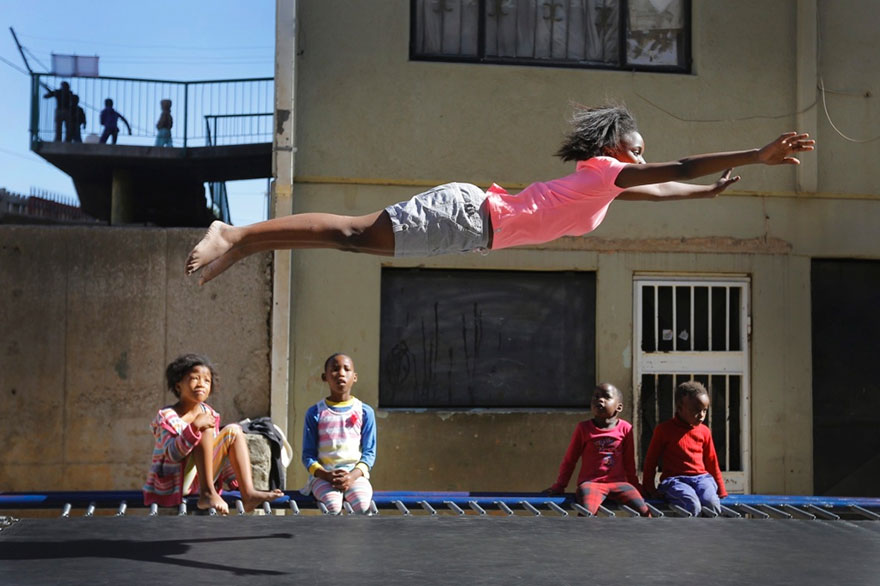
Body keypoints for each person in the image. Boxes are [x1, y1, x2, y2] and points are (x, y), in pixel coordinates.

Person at [184, 103, 815, 285]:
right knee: (351, 232)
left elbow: (666, 184)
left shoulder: (607, 189)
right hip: (470, 214)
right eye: (637, 148)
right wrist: (756, 156)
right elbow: (679, 164)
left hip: (472, 228)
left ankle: (243, 245)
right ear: (617, 149)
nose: (642, 158)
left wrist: (705, 197)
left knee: (352, 241)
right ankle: (234, 234)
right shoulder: (604, 171)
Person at [142, 353, 284, 513]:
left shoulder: (209, 413)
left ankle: (248, 493)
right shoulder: (168, 416)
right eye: (195, 378)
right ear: (178, 385)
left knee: (234, 430)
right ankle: (207, 492)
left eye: (206, 380)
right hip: (175, 483)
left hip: (200, 478)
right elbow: (172, 454)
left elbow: (215, 452)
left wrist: (233, 482)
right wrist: (194, 427)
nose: (201, 384)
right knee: (205, 426)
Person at [545, 383, 648, 516]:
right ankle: (585, 536)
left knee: (644, 512)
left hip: (618, 483)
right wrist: (560, 485)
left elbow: (629, 461)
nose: (600, 400)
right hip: (592, 484)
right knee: (587, 513)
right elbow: (570, 460)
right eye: (596, 397)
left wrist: (635, 485)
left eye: (606, 397)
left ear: (619, 407)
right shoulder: (584, 428)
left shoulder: (625, 429)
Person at [301, 353, 377, 514]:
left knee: (363, 506)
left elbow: (369, 453)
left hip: (356, 476)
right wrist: (326, 475)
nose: (341, 373)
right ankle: (335, 540)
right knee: (333, 507)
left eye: (347, 369)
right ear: (325, 377)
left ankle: (360, 539)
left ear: (354, 377)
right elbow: (308, 456)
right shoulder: (315, 412)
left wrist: (353, 476)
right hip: (323, 477)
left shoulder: (364, 412)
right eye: (335, 369)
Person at [642, 380, 728, 516]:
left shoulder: (704, 431)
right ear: (679, 407)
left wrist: (721, 490)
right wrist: (649, 488)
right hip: (675, 481)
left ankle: (710, 535)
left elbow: (711, 461)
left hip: (702, 479)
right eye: (696, 410)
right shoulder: (664, 430)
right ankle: (690, 536)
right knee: (691, 504)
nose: (701, 415)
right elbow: (651, 461)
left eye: (704, 410)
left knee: (711, 503)